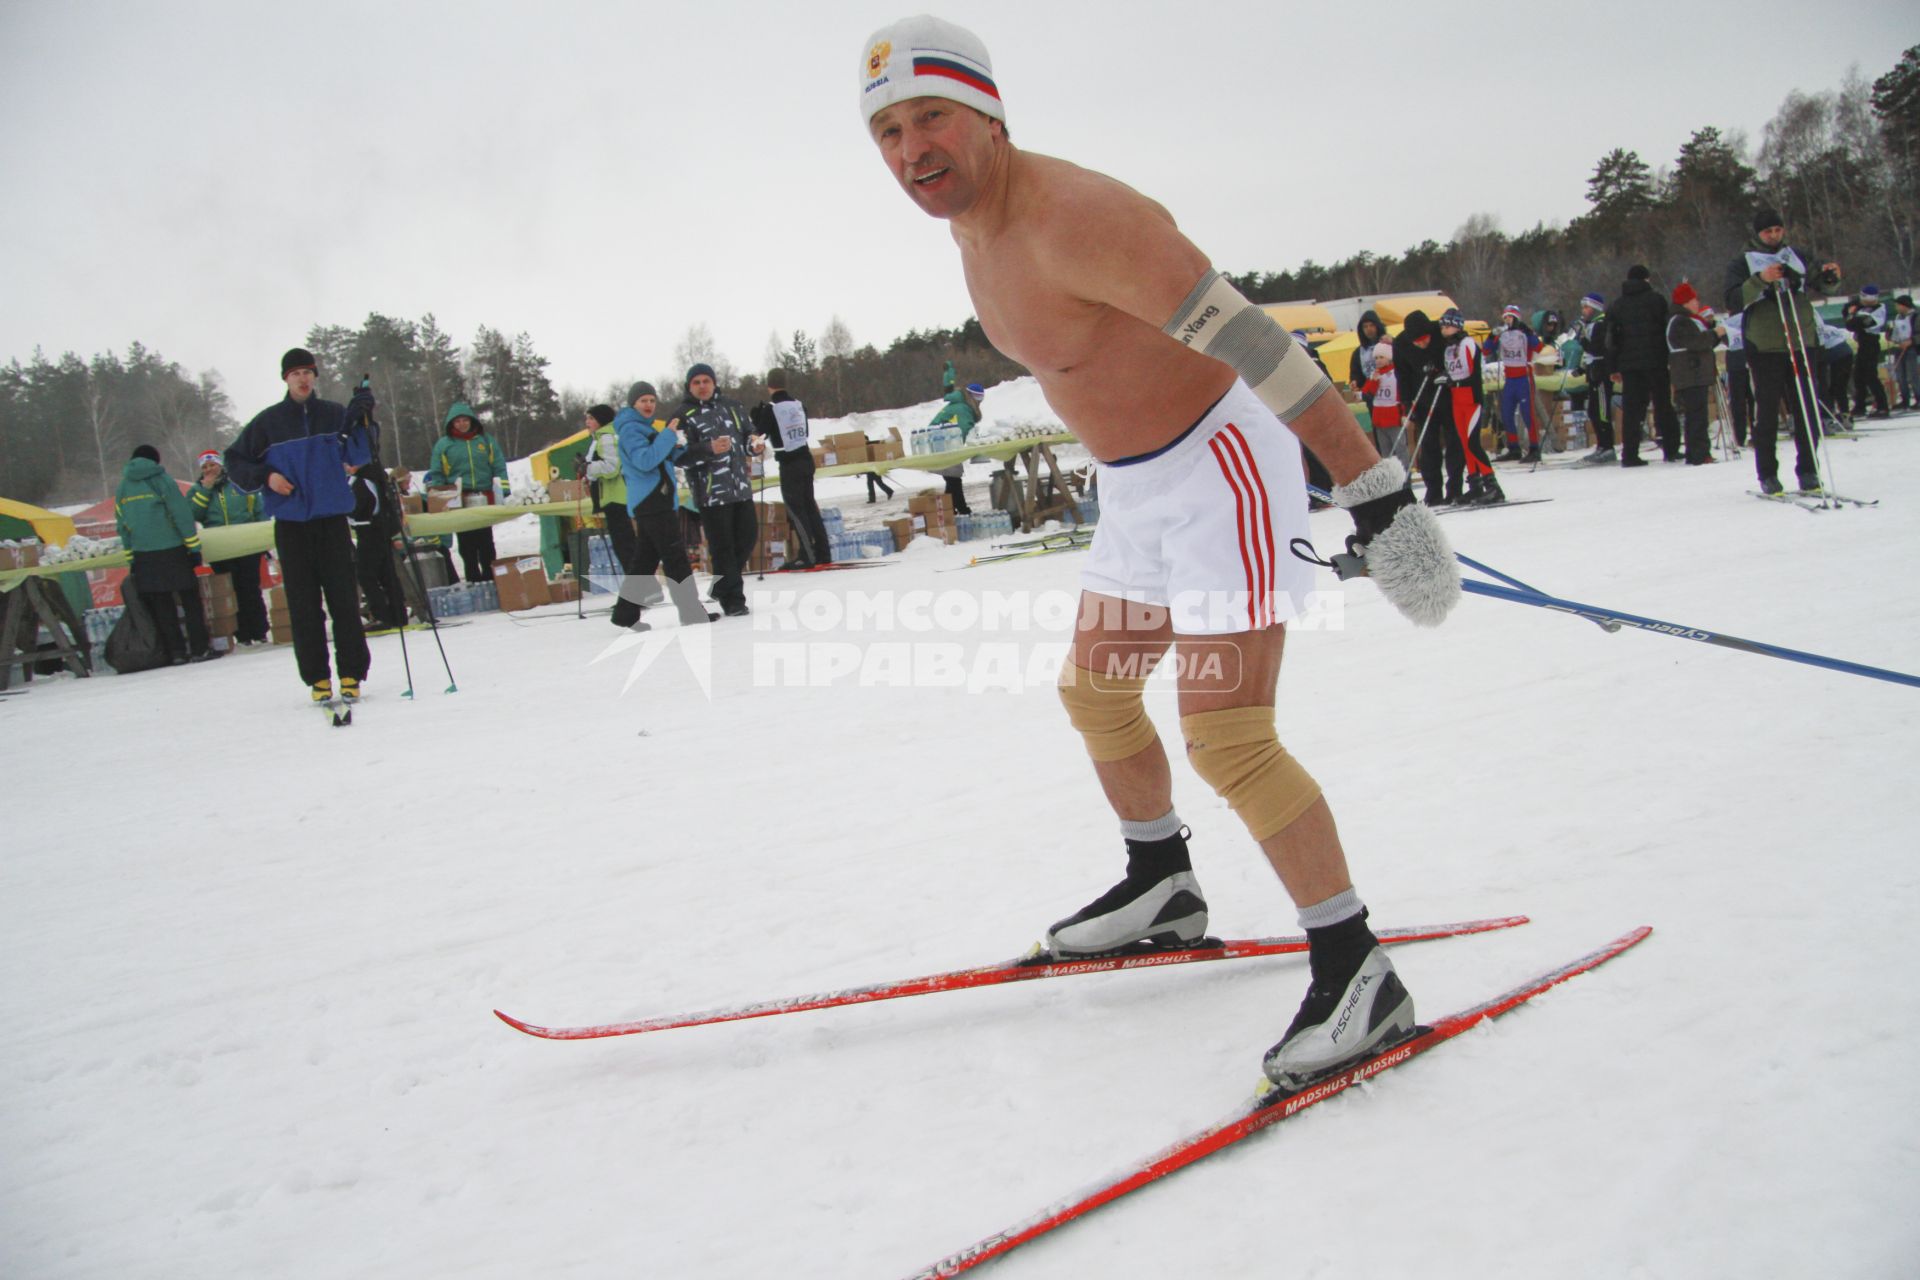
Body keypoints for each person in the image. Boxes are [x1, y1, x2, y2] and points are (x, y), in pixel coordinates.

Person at [860, 15, 1461, 1088]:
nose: (912, 151)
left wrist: (1374, 492)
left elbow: (1262, 343)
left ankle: (1355, 965)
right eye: (890, 132)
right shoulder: (973, 230)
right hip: (1138, 490)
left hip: (1222, 466)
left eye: (932, 118)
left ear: (990, 115)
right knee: (1097, 694)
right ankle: (1162, 883)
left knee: (1228, 735)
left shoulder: (1081, 215)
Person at [224, 347, 373, 704]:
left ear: (315, 377)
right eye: (296, 374)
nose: (303, 379)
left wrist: (367, 418)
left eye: (308, 372)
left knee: (344, 602)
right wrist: (267, 476)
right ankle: (318, 679)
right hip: (291, 526)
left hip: (332, 521)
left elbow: (360, 455)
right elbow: (234, 460)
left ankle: (351, 674)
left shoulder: (335, 415)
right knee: (304, 607)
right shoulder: (268, 422)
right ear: (285, 379)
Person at [1723, 208, 1841, 495]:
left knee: (1807, 409)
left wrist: (1830, 277)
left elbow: (1820, 284)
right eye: (1768, 232)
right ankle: (1768, 473)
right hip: (1765, 345)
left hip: (1802, 339)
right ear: (1758, 234)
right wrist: (1761, 279)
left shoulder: (1796, 254)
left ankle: (1809, 470)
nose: (1774, 236)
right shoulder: (1743, 261)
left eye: (1778, 230)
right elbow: (1732, 299)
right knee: (1767, 410)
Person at [614, 381, 715, 628]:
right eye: (643, 401)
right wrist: (668, 436)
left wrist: (691, 447)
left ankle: (625, 614)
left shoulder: (645, 429)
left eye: (652, 400)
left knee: (644, 560)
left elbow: (664, 456)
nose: (649, 405)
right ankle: (692, 613)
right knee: (675, 557)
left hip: (655, 501)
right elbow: (646, 460)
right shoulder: (631, 430)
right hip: (652, 501)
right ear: (633, 404)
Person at [671, 363, 762, 618]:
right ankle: (733, 600)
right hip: (710, 493)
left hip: (740, 488)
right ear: (689, 387)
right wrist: (708, 449)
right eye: (696, 382)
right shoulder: (682, 415)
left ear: (714, 383)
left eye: (706, 381)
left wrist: (753, 445)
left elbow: (748, 435)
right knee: (723, 547)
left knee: (747, 538)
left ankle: (723, 586)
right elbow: (677, 455)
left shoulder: (732, 407)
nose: (702, 386)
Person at [115, 445, 217, 665]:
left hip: (144, 555)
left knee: (162, 607)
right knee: (190, 600)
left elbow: (123, 526)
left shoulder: (122, 487)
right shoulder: (162, 480)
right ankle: (200, 649)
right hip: (172, 549)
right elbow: (181, 514)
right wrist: (193, 548)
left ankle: (176, 653)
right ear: (155, 461)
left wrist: (131, 559)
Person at [749, 369, 833, 567]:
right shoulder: (798, 405)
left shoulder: (771, 408)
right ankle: (823, 552)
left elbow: (758, 435)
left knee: (796, 510)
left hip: (789, 463)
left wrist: (756, 420)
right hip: (805, 458)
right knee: (810, 507)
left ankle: (807, 555)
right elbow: (805, 430)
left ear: (769, 385)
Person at [189, 448, 269, 646]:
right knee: (230, 589)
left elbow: (259, 509)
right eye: (205, 467)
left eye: (212, 465)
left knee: (250, 587)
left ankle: (260, 630)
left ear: (220, 464)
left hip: (246, 542)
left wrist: (263, 538)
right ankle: (241, 634)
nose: (209, 469)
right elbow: (193, 514)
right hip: (220, 547)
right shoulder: (198, 489)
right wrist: (205, 489)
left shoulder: (238, 481)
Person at [425, 401, 509, 582]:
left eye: (465, 420)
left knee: (486, 542)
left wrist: (504, 488)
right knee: (466, 544)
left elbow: (498, 465)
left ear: (471, 420)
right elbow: (437, 473)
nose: (462, 424)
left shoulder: (485, 441)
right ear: (451, 424)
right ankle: (473, 580)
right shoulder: (444, 445)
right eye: (457, 422)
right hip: (459, 500)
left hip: (485, 497)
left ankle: (491, 579)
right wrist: (440, 498)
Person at [1607, 265, 1678, 465]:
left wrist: (1613, 367)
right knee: (1663, 405)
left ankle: (1630, 454)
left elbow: (1611, 339)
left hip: (1629, 366)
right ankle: (1671, 450)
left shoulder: (1617, 305)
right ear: (1646, 279)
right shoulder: (1657, 300)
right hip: (1656, 361)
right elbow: (1667, 330)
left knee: (1632, 410)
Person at [1436, 309, 1504, 503]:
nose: (1444, 330)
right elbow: (1453, 371)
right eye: (1442, 327)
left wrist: (1454, 383)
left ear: (1456, 326)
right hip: (1457, 400)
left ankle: (1493, 485)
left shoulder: (1468, 344)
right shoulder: (1448, 348)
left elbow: (1473, 375)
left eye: (1447, 326)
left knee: (1473, 443)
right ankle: (1475, 484)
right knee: (1464, 443)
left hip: (1471, 399)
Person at [1666, 283, 1723, 466]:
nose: (1697, 303)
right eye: (1694, 300)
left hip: (1692, 373)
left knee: (1696, 415)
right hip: (1691, 372)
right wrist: (1715, 333)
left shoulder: (1682, 320)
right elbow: (1697, 342)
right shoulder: (1680, 321)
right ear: (1686, 302)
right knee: (1697, 416)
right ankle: (1699, 453)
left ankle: (1697, 451)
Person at [348, 460, 407, 631]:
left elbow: (362, 506)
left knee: (366, 575)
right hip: (381, 530)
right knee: (387, 574)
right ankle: (398, 614)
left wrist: (347, 511)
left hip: (368, 529)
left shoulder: (363, 480)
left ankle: (381, 616)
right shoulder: (379, 478)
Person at [927, 360, 980, 514]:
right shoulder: (963, 409)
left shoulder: (958, 403)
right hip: (944, 444)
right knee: (954, 479)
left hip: (939, 442)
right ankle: (961, 510)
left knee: (952, 480)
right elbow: (963, 429)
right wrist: (969, 447)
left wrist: (948, 373)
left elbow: (948, 386)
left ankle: (948, 511)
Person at [1493, 305, 1542, 462]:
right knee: (1506, 414)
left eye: (1509, 317)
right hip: (1510, 379)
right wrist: (1491, 335)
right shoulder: (1504, 334)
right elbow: (1487, 350)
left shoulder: (1524, 333)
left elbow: (1538, 347)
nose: (1507, 320)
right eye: (1505, 317)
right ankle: (1513, 447)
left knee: (1528, 415)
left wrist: (1529, 332)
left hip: (1524, 378)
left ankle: (1534, 448)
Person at [1572, 293, 1616, 464]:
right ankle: (1601, 445)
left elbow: (1597, 349)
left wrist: (1582, 338)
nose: (1584, 311)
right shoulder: (1590, 325)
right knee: (1593, 411)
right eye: (1583, 308)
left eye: (1587, 307)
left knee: (1602, 412)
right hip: (1593, 372)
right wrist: (1581, 369)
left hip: (1603, 371)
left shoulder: (1601, 324)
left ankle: (1608, 446)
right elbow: (1588, 353)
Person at [1844, 285, 1890, 420]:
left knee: (1870, 375)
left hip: (1871, 342)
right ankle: (1860, 405)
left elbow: (1864, 323)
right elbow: (1850, 324)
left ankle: (1882, 406)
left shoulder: (1879, 309)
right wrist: (1852, 316)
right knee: (1858, 375)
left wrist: (1853, 316)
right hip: (1862, 342)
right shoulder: (1860, 307)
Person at [1360, 340, 1406, 466]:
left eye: (1381, 357)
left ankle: (1404, 478)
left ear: (1389, 358)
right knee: (1386, 452)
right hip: (1379, 418)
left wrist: (1404, 413)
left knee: (1400, 448)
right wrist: (1373, 381)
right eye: (1376, 358)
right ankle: (1390, 479)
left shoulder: (1395, 374)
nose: (1378, 360)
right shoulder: (1374, 375)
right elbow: (1366, 393)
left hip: (1393, 416)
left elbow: (1401, 394)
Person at [1723, 313, 1752, 448]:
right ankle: (1758, 434)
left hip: (1735, 364)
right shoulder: (1750, 315)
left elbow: (1722, 339)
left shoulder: (1728, 322)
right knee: (1754, 400)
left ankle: (1739, 437)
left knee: (1737, 402)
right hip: (1751, 360)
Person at [1891, 296, 1916, 412]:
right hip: (1899, 348)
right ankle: (1905, 399)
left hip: (1912, 349)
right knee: (1900, 375)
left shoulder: (1916, 316)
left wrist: (1912, 341)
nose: (1896, 307)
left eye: (1898, 305)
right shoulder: (1898, 317)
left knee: (1913, 374)